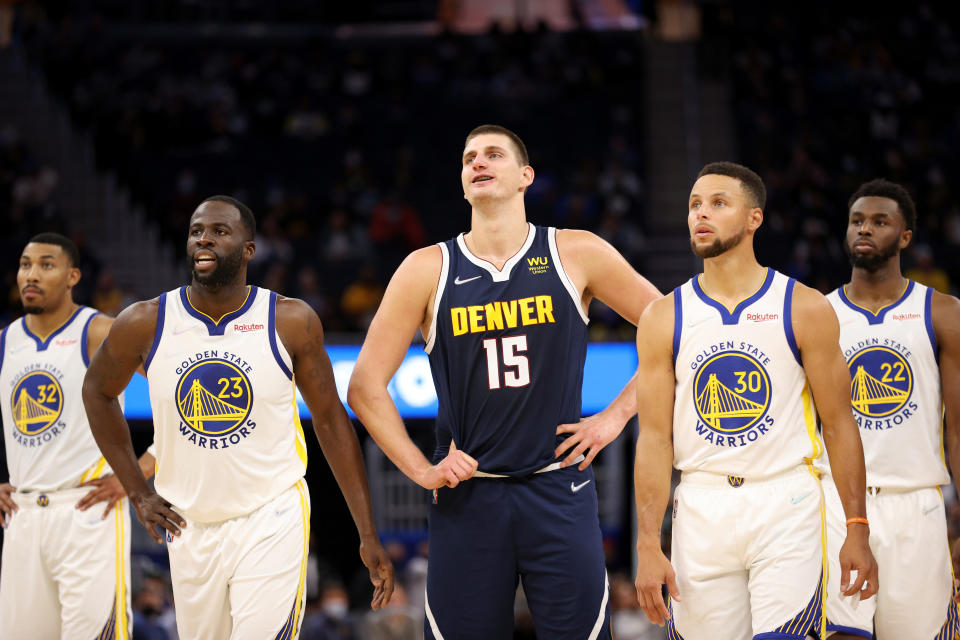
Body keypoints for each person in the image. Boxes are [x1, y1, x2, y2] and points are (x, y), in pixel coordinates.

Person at [348, 124, 661, 639]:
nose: (479, 163)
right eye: (470, 158)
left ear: (525, 176)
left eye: (494, 154)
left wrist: (615, 417)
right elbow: (364, 387)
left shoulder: (575, 252)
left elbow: (672, 333)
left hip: (558, 486)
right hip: (468, 498)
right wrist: (422, 471)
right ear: (462, 181)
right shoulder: (427, 268)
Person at [82, 195, 395, 640]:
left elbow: (330, 421)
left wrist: (367, 531)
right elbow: (96, 392)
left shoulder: (290, 320)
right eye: (196, 231)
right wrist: (137, 491)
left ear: (249, 250)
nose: (204, 239)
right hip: (188, 526)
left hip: (270, 515)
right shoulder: (145, 322)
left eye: (219, 231)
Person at [632, 162, 878, 639]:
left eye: (719, 204)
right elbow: (655, 439)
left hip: (786, 500)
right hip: (701, 504)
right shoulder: (662, 316)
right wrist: (647, 542)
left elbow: (841, 424)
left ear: (754, 219)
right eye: (694, 205)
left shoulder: (804, 306)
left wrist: (857, 526)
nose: (701, 214)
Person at [821, 179, 960, 639]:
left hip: (915, 502)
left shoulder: (942, 312)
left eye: (881, 221)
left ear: (904, 237)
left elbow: (958, 431)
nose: (865, 228)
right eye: (857, 220)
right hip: (837, 503)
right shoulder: (817, 314)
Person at [0, 232, 156, 639]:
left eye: (46, 265)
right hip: (22, 515)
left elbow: (180, 396)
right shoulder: (5, 342)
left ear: (72, 276)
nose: (31, 275)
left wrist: (138, 472)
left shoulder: (100, 330)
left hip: (88, 510)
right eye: (25, 264)